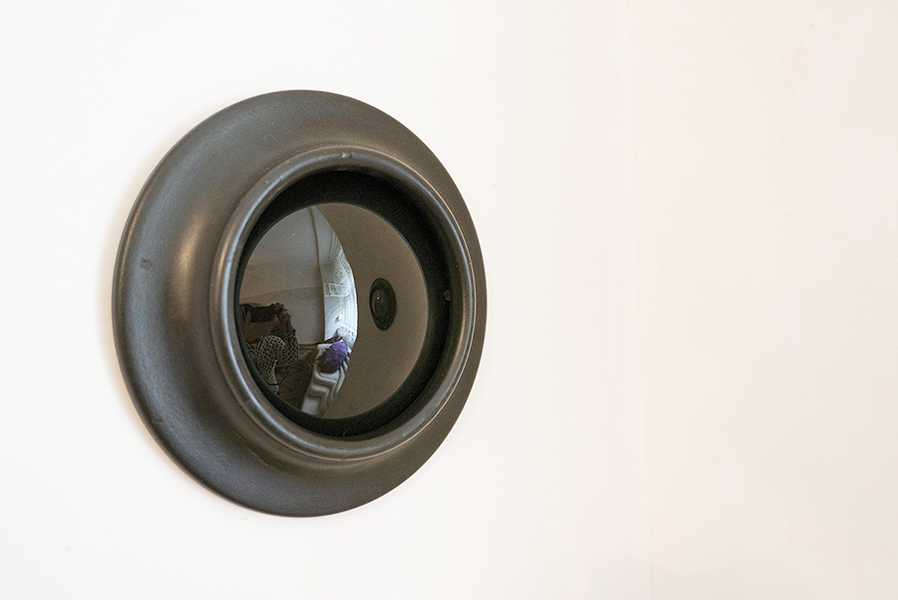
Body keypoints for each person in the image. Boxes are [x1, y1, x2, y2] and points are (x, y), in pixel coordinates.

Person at [239, 303, 300, 394]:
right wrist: (247, 340)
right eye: (244, 316)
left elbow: (291, 359)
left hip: (271, 392)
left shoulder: (272, 341)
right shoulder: (232, 344)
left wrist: (288, 326)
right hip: (244, 394)